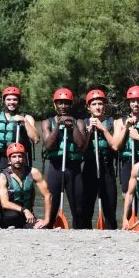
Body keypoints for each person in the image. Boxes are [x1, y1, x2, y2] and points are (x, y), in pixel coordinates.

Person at [41, 88, 88, 229]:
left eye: (66, 103)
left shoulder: (79, 122)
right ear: (55, 104)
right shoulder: (47, 122)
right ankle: (48, 230)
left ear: (71, 104)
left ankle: (78, 234)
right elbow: (49, 145)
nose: (63, 106)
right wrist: (59, 126)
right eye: (60, 103)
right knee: (52, 207)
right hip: (56, 167)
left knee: (78, 208)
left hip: (74, 168)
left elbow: (80, 144)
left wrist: (72, 126)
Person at [83, 89, 118, 229]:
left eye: (100, 103)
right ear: (88, 107)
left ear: (104, 105)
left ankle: (111, 236)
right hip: (89, 169)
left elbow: (115, 146)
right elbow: (81, 150)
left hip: (107, 169)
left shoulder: (112, 123)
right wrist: (89, 131)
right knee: (86, 210)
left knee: (110, 210)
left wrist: (103, 129)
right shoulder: (83, 122)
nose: (97, 107)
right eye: (94, 104)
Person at [0, 142, 52, 228]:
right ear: (9, 159)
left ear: (25, 158)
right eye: (14, 157)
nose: (17, 160)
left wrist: (47, 220)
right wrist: (24, 210)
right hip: (10, 214)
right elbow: (4, 203)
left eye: (20, 156)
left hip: (28, 215)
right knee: (12, 215)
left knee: (42, 229)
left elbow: (47, 195)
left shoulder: (33, 172)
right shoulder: (3, 177)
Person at [0, 86, 39, 174]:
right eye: (8, 99)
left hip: (19, 158)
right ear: (4, 101)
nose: (12, 102)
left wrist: (24, 121)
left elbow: (36, 139)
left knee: (20, 186)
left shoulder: (27, 118)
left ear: (19, 101)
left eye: (15, 99)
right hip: (1, 158)